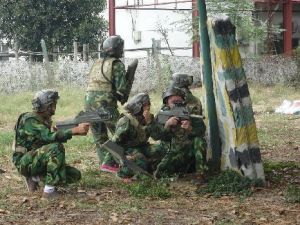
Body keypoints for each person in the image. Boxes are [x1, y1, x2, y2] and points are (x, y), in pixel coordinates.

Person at [12, 89, 89, 199]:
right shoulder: (29, 119)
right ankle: (49, 192)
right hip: (24, 162)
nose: (55, 107)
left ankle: (35, 178)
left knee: (74, 175)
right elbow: (48, 136)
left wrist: (74, 130)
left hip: (36, 159)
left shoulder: (43, 120)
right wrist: (74, 131)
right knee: (56, 148)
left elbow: (48, 137)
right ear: (46, 106)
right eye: (53, 104)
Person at [84, 35, 129, 173]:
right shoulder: (117, 64)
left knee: (99, 136)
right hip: (105, 105)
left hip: (88, 104)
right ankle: (116, 162)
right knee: (120, 132)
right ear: (118, 49)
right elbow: (121, 90)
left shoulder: (96, 63)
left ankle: (105, 163)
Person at [149, 86, 207, 179]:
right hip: (171, 152)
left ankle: (200, 173)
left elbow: (202, 131)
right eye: (174, 103)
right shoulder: (163, 115)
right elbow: (155, 136)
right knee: (160, 172)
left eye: (179, 102)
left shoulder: (190, 113)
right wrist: (167, 126)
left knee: (199, 141)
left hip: (188, 152)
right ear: (167, 103)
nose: (177, 105)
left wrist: (190, 128)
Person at [108, 93, 154, 182]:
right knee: (140, 160)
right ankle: (123, 173)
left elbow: (156, 136)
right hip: (128, 150)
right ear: (138, 107)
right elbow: (113, 144)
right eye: (145, 105)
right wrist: (123, 157)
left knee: (160, 151)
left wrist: (150, 123)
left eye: (149, 104)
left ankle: (149, 168)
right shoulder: (126, 121)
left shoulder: (148, 118)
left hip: (142, 147)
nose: (148, 107)